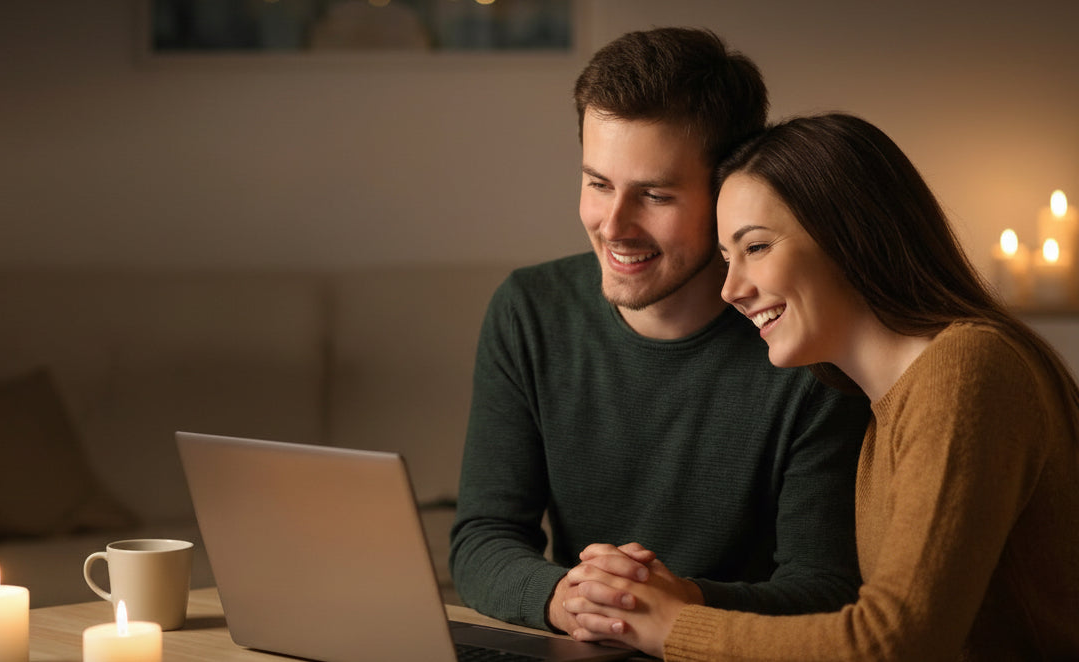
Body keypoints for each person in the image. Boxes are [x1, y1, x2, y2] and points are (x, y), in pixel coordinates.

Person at [562, 113, 1079, 659]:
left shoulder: (967, 368)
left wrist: (672, 627)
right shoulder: (881, 407)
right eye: (725, 258)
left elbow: (892, 642)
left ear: (849, 235)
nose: (732, 289)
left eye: (756, 247)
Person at [448, 28, 871, 635]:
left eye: (654, 195)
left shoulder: (805, 343)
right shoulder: (528, 310)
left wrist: (675, 603)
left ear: (729, 191)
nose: (613, 226)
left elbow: (824, 586)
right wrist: (567, 598)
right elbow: (483, 537)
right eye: (597, 183)